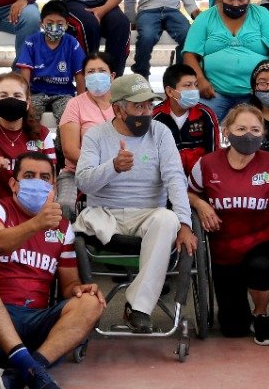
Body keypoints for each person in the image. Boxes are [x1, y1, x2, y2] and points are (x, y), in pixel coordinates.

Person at [0, 151, 107, 389]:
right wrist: (37, 224)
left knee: (91, 302)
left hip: (35, 323)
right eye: (29, 176)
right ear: (13, 183)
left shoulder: (62, 227)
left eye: (44, 178)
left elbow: (69, 285)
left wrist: (80, 289)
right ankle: (33, 371)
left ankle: (24, 373)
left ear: (53, 186)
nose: (37, 182)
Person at [75, 74, 197, 334]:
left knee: (169, 219)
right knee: (84, 222)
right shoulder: (96, 135)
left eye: (149, 105)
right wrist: (113, 167)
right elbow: (83, 182)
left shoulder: (160, 132)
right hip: (104, 215)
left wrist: (185, 223)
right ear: (118, 109)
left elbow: (175, 179)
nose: (146, 112)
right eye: (138, 106)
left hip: (148, 215)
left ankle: (138, 308)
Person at [189, 104, 269, 344]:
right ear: (226, 132)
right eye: (241, 129)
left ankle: (261, 314)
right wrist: (201, 204)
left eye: (255, 130)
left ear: (263, 133)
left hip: (260, 241)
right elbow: (187, 193)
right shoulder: (207, 164)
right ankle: (241, 313)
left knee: (262, 267)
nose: (248, 135)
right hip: (223, 250)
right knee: (233, 328)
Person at [183, 0, 269, 122]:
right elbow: (189, 54)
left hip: (255, 94)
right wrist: (199, 79)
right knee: (198, 123)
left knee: (254, 128)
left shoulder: (261, 14)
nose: (235, 4)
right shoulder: (205, 17)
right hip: (214, 92)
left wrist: (267, 82)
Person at [0, 71, 56, 202]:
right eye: (3, 95)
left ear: (27, 102)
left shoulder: (43, 134)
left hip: (31, 205)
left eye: (17, 95)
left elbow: (51, 179)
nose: (10, 100)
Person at [56, 52, 117, 214]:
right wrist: (104, 168)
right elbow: (69, 150)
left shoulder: (123, 104)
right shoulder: (75, 104)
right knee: (65, 206)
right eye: (91, 72)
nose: (96, 75)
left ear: (112, 76)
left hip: (117, 173)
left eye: (102, 71)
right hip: (77, 173)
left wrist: (112, 169)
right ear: (84, 77)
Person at [15, 0, 86, 122]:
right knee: (29, 117)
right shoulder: (31, 42)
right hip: (36, 93)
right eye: (49, 22)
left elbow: (80, 74)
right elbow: (25, 72)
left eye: (59, 23)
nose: (54, 26)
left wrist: (81, 101)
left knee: (68, 117)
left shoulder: (72, 43)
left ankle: (64, 136)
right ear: (41, 24)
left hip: (64, 94)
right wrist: (26, 97)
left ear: (66, 25)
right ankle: (34, 136)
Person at [154, 63, 220, 177]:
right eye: (187, 85)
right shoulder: (155, 117)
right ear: (170, 91)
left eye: (196, 85)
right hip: (164, 177)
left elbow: (214, 154)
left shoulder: (206, 115)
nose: (194, 90)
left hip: (199, 177)